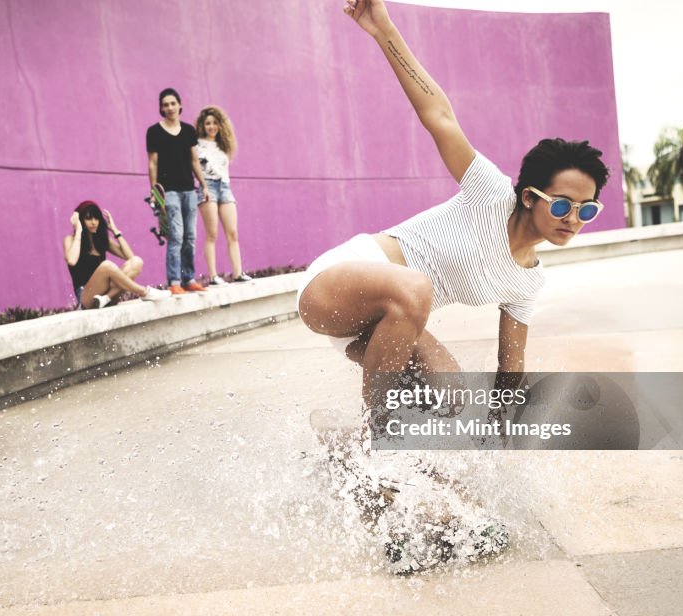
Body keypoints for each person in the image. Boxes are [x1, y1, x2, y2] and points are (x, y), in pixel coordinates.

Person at [299, 0, 611, 573]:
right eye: (562, 203)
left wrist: (500, 434)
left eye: (585, 210)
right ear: (529, 196)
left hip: (391, 321)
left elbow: (508, 367)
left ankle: (347, 446)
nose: (572, 218)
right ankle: (379, 446)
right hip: (337, 284)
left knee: (451, 396)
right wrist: (382, 28)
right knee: (416, 289)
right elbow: (437, 111)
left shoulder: (527, 281)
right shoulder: (489, 193)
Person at [146, 88, 211, 295]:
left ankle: (188, 278)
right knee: (176, 236)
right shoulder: (154, 131)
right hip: (168, 192)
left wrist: (203, 185)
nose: (170, 107)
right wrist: (155, 194)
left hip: (189, 191)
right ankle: (174, 281)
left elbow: (194, 160)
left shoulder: (189, 131)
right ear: (161, 108)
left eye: (173, 103)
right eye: (165, 104)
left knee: (190, 236)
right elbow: (152, 164)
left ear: (180, 105)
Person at [63, 201, 171, 308]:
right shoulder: (70, 240)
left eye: (96, 218)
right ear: (80, 220)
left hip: (103, 297)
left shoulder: (101, 240)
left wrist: (115, 230)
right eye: (89, 218)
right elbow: (72, 260)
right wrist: (78, 230)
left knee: (137, 261)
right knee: (107, 266)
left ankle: (106, 298)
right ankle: (144, 292)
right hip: (86, 297)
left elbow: (130, 258)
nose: (94, 222)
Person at [195, 105, 252, 285]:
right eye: (207, 123)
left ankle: (238, 273)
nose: (211, 126)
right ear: (202, 126)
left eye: (214, 123)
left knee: (232, 233)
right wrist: (202, 186)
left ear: (220, 125)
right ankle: (213, 276)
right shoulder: (196, 145)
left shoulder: (223, 145)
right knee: (212, 233)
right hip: (207, 186)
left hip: (225, 186)